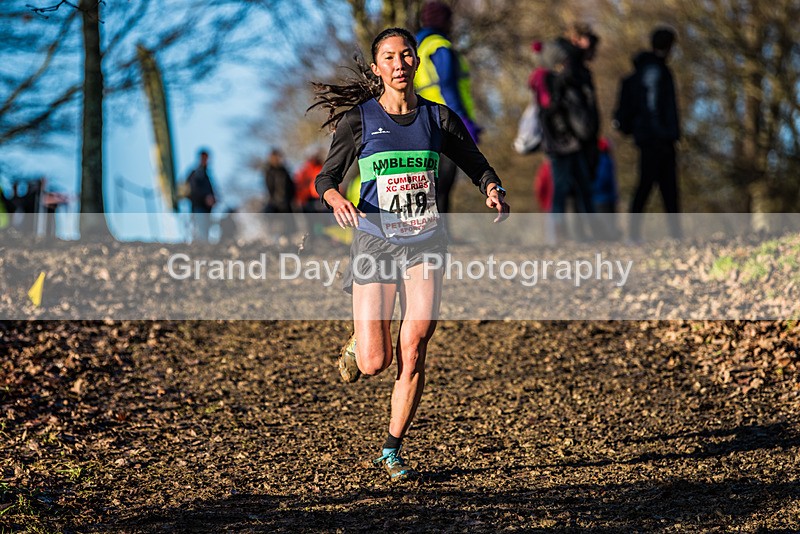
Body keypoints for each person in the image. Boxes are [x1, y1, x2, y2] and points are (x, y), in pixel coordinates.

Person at [310, 27, 509, 481]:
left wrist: (493, 188)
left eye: (406, 55)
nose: (399, 63)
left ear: (415, 63)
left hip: (425, 243)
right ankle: (361, 339)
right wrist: (336, 198)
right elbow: (326, 177)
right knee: (375, 363)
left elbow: (475, 163)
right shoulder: (359, 120)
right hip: (375, 243)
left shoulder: (438, 119)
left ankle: (391, 449)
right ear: (378, 68)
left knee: (415, 344)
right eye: (389, 57)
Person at [415, 1, 481, 213]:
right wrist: (462, 119)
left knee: (432, 179)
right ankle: (441, 231)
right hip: (445, 119)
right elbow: (448, 85)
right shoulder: (439, 46)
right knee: (444, 178)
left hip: (425, 118)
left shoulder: (419, 46)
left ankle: (435, 229)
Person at [531, 39, 596, 241]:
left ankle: (589, 231)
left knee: (581, 186)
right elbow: (549, 109)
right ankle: (558, 233)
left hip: (567, 141)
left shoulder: (552, 78)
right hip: (560, 143)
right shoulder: (548, 79)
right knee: (561, 188)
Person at [625, 27, 682, 241]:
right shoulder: (655, 70)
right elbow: (653, 106)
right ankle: (636, 234)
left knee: (656, 187)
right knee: (653, 186)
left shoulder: (650, 68)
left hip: (651, 138)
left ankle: (673, 234)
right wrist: (664, 133)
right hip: (656, 140)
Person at [264, 148, 296, 240]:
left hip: (286, 202)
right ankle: (275, 239)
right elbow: (269, 186)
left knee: (288, 224)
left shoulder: (284, 170)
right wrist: (275, 199)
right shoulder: (268, 171)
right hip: (275, 202)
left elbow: (291, 186)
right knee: (274, 222)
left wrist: (290, 198)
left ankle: (288, 240)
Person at [185, 149, 216, 243]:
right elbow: (193, 189)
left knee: (204, 233)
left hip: (206, 210)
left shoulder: (206, 175)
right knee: (199, 233)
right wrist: (205, 198)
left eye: (206, 158)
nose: (205, 160)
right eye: (203, 158)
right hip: (198, 207)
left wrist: (212, 199)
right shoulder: (196, 173)